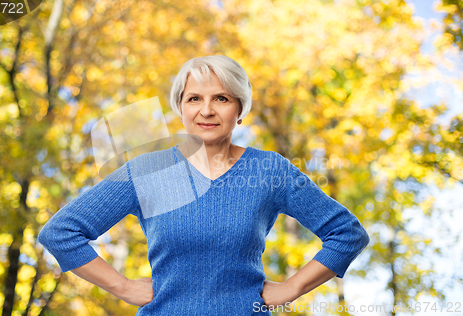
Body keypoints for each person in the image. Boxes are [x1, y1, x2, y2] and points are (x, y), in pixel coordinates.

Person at [37, 55, 370, 315]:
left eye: (222, 98)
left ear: (240, 108)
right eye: (194, 98)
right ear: (180, 109)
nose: (207, 110)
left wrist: (290, 289)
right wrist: (122, 287)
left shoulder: (269, 170)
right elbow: (61, 233)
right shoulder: (146, 172)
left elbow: (347, 233)